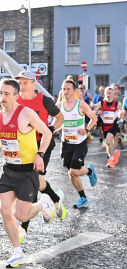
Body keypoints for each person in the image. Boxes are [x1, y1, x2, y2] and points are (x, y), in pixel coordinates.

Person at [0, 78, 56, 268]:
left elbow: (47, 133)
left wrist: (40, 154)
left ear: (15, 96)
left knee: (22, 216)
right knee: (4, 210)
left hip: (27, 171)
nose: (2, 97)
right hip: (8, 170)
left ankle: (44, 203)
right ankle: (17, 251)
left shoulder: (26, 113)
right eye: (0, 93)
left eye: (7, 94)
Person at [15, 70, 66, 243]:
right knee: (39, 182)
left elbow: (60, 117)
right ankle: (55, 199)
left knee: (32, 181)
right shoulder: (16, 100)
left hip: (42, 145)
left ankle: (24, 227)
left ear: (33, 84)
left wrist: (50, 129)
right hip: (25, 146)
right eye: (20, 83)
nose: (22, 86)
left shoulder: (45, 100)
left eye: (25, 83)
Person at [55, 79, 98, 208]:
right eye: (64, 89)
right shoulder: (59, 106)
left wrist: (87, 129)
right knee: (71, 173)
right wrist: (51, 130)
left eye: (68, 89)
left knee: (74, 171)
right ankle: (83, 198)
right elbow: (58, 124)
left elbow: (94, 118)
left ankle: (90, 171)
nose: (65, 91)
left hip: (79, 143)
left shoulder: (81, 104)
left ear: (74, 91)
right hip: (66, 143)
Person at [94, 85, 121, 168]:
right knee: (108, 144)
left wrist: (120, 115)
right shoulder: (101, 103)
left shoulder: (117, 104)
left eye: (110, 93)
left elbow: (121, 113)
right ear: (105, 94)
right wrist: (98, 112)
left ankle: (111, 159)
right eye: (107, 93)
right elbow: (94, 112)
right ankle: (114, 153)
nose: (108, 95)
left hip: (113, 125)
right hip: (105, 126)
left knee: (109, 141)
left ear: (113, 94)